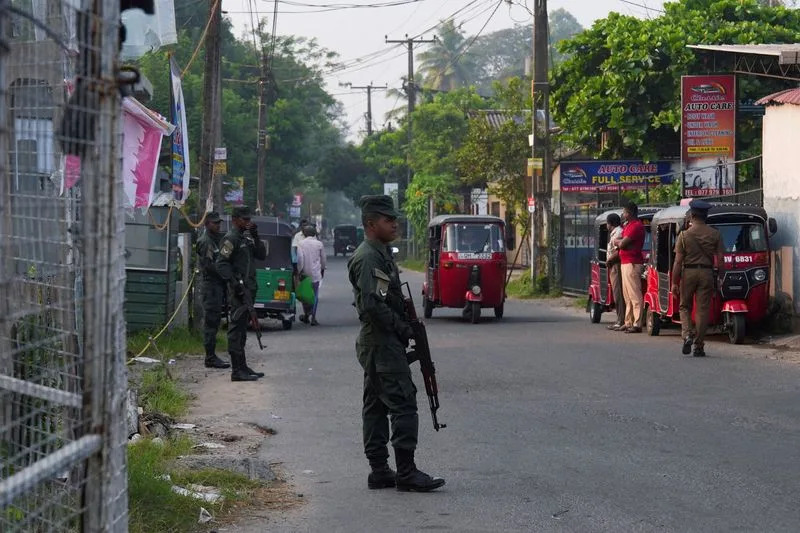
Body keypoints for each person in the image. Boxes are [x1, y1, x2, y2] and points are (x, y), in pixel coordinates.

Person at [347, 195, 445, 492]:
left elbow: (384, 298)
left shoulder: (380, 253)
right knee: (403, 403)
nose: (394, 224)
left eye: (394, 219)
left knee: (376, 406)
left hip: (381, 342)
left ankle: (380, 471)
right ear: (370, 223)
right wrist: (402, 328)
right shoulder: (369, 257)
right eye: (388, 219)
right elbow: (372, 305)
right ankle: (406, 472)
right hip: (382, 343)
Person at [216, 206, 267, 382]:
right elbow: (221, 263)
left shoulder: (246, 238)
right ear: (235, 219)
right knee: (236, 330)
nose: (247, 222)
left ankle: (243, 366)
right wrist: (234, 283)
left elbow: (262, 255)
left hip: (249, 289)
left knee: (243, 329)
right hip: (239, 290)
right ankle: (237, 370)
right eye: (244, 219)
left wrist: (256, 236)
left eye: (249, 219)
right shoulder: (231, 239)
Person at [670, 200, 725, 357]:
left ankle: (687, 334)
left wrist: (674, 282)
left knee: (684, 306)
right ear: (706, 216)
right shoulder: (715, 234)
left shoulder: (683, 235)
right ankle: (699, 346)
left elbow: (678, 262)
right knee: (702, 310)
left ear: (692, 216)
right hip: (707, 273)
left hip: (688, 273)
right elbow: (720, 259)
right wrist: (721, 277)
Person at [196, 211, 231, 369]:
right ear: (207, 224)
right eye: (214, 223)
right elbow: (209, 266)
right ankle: (210, 357)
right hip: (211, 286)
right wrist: (225, 274)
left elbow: (225, 255)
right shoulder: (206, 242)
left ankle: (212, 355)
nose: (218, 225)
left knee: (216, 320)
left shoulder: (217, 239)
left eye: (219, 223)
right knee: (211, 321)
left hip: (218, 285)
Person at [613, 202, 645, 333]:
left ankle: (637, 323)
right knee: (627, 295)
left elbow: (622, 244)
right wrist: (620, 242)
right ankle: (628, 321)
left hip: (632, 262)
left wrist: (618, 242)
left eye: (624, 212)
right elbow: (622, 243)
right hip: (625, 262)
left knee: (634, 294)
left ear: (630, 213)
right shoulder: (628, 225)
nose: (623, 214)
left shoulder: (636, 226)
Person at [296, 225, 326, 326]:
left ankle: (306, 315)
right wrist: (322, 270)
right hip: (315, 273)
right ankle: (313, 317)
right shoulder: (319, 244)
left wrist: (299, 271)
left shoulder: (301, 243)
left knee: (305, 295)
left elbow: (300, 259)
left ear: (304, 234)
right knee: (315, 295)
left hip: (305, 273)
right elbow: (323, 259)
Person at [605, 213, 626, 331]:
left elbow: (619, 252)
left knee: (618, 293)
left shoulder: (618, 233)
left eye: (607, 223)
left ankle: (621, 320)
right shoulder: (614, 233)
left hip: (616, 264)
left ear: (611, 223)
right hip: (613, 265)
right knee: (616, 293)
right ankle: (620, 318)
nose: (606, 225)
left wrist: (609, 260)